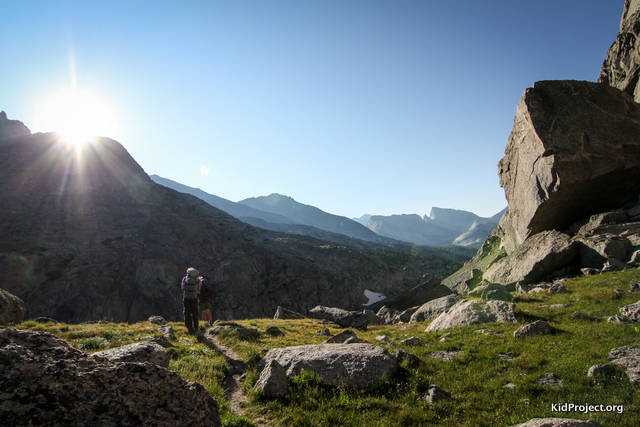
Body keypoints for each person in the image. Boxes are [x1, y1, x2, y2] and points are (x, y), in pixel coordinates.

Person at [181, 267, 202, 334]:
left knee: (187, 313)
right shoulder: (198, 279)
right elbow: (199, 288)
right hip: (195, 298)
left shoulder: (185, 279)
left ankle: (189, 328)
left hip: (186, 298)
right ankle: (196, 327)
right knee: (195, 313)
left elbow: (182, 288)